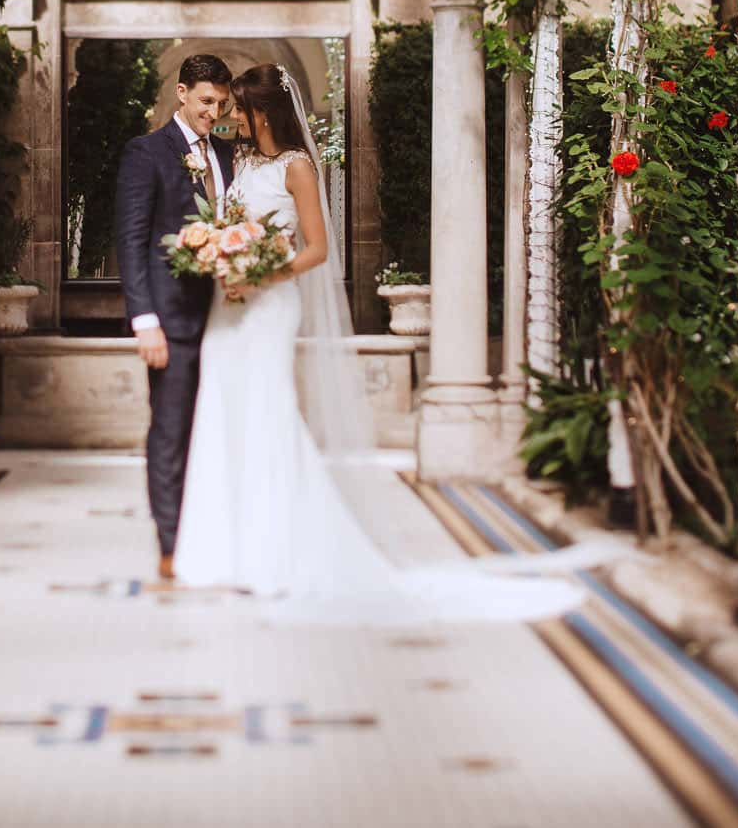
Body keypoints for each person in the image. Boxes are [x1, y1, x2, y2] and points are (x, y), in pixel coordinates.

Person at [175, 63, 605, 623]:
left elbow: (317, 250)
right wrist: (220, 255)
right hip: (229, 307)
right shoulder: (242, 160)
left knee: (267, 412)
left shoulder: (297, 167)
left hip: (269, 305)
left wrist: (261, 274)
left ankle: (275, 549)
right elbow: (232, 220)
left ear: (261, 111)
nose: (230, 118)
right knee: (224, 411)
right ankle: (220, 547)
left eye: (238, 109)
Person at [112, 53, 237, 581]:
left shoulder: (231, 156)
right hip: (173, 319)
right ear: (181, 94)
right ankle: (170, 544)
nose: (215, 112)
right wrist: (145, 320)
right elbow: (132, 240)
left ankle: (212, 534)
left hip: (228, 321)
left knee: (215, 434)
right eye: (207, 101)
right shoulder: (147, 153)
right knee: (171, 433)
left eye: (223, 104)